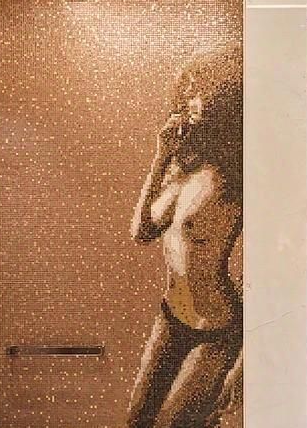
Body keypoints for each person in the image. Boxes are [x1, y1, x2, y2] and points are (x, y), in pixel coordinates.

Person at [126, 44, 243, 428]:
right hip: (171, 317)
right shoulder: (181, 169)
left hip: (216, 331)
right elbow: (142, 231)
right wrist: (161, 156)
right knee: (136, 423)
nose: (189, 98)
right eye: (187, 89)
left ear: (221, 99)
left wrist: (241, 366)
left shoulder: (236, 179)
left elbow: (265, 275)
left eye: (198, 90)